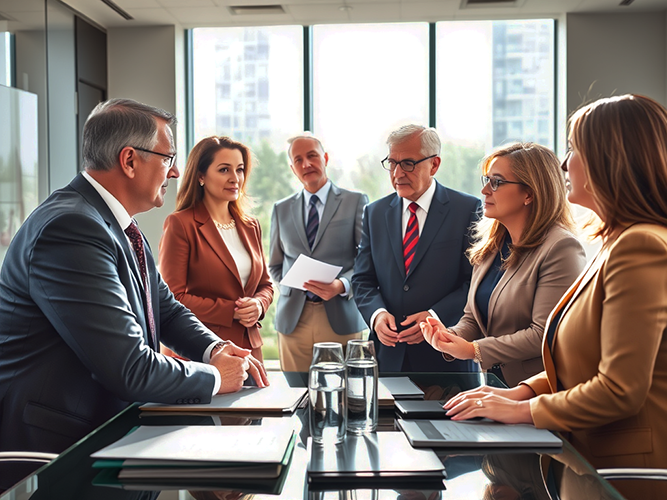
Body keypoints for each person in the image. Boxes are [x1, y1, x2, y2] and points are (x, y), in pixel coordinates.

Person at [0, 99, 268, 491]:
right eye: (168, 158)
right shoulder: (71, 228)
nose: (176, 172)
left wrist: (214, 349)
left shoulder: (121, 225)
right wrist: (215, 377)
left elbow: (166, 308)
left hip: (110, 434)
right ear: (129, 160)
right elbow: (129, 366)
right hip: (61, 451)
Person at [442, 94, 667, 500]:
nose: (564, 164)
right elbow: (581, 361)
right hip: (590, 461)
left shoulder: (641, 247)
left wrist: (520, 410)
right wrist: (520, 391)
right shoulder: (616, 242)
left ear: (608, 158)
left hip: (626, 473)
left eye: (574, 149)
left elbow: (619, 388)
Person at [420, 143, 586, 386]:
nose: (485, 190)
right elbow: (473, 319)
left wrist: (473, 350)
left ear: (529, 193)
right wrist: (449, 335)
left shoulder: (561, 248)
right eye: (486, 179)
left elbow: (543, 334)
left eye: (496, 182)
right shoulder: (491, 245)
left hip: (540, 392)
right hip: (495, 387)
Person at [352, 124, 481, 372]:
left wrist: (435, 315)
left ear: (434, 165)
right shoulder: (374, 213)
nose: (397, 173)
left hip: (446, 357)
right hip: (387, 357)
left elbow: (475, 282)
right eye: (392, 163)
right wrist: (377, 314)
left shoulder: (468, 209)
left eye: (408, 163)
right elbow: (362, 279)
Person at [159, 136, 273, 362]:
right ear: (200, 176)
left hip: (250, 348)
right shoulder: (181, 224)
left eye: (239, 169)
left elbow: (265, 285)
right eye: (224, 170)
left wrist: (259, 304)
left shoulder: (251, 225)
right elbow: (173, 298)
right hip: (204, 349)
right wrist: (232, 310)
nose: (235, 178)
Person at [268, 133, 368, 372]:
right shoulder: (280, 209)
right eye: (298, 159)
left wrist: (342, 285)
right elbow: (275, 265)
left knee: (344, 396)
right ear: (293, 168)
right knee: (295, 396)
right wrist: (291, 284)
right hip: (294, 320)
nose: (306, 164)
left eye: (312, 156)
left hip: (341, 317)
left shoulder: (355, 201)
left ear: (325, 158)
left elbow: (366, 260)